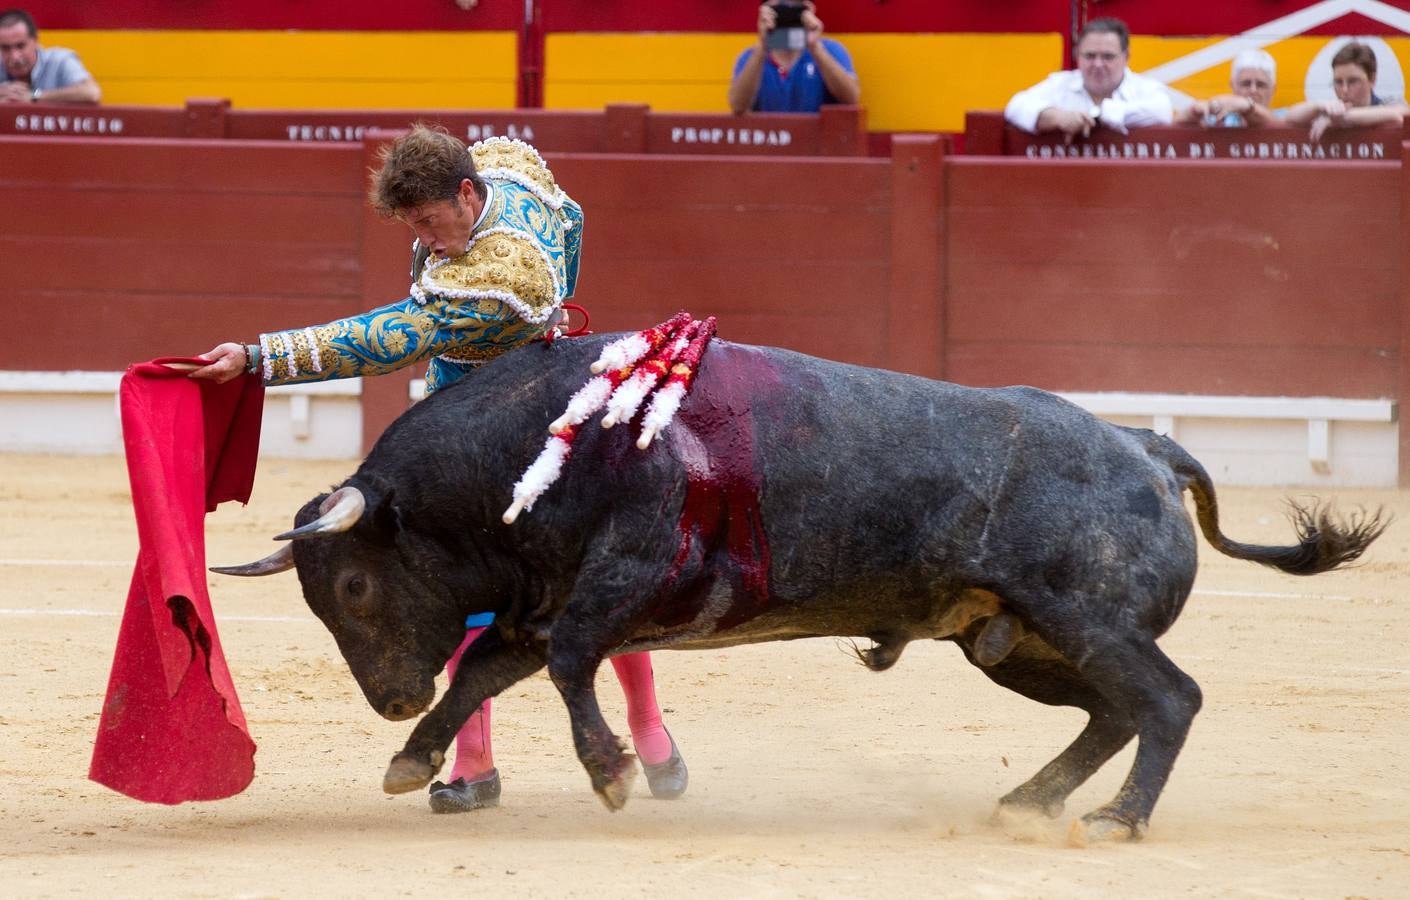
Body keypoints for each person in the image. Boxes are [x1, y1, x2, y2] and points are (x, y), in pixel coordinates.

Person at [189, 125, 688, 814]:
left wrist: (259, 357)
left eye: (429, 222)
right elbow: (564, 206)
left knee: (593, 573)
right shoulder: (504, 168)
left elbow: (380, 339)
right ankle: (474, 761)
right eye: (412, 227)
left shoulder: (501, 269)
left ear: (464, 192)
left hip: (530, 426)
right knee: (458, 581)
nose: (425, 240)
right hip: (476, 416)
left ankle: (648, 725)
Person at [1004, 17, 1172, 141]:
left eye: (1108, 56)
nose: (1098, 64)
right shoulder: (1061, 84)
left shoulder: (1145, 88)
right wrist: (1058, 118)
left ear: (1126, 57)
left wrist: (1096, 117)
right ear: (1077, 55)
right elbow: (1016, 105)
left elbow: (1162, 110)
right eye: (1090, 56)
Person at [728, 0, 860, 115]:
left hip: (817, 141)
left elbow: (851, 99)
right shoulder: (751, 57)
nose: (787, 7)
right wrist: (763, 46)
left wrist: (815, 47)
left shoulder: (831, 50)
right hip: (771, 141)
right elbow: (738, 107)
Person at [1285, 41, 1408, 141]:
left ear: (1372, 79)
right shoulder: (1332, 111)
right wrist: (1318, 106)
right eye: (1338, 82)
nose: (1344, 90)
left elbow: (1398, 114)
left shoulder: (1390, 103)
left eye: (1353, 81)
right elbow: (1290, 117)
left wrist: (1342, 118)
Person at [0, 8, 100, 105]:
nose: (14, 57)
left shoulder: (59, 61)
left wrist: (34, 96)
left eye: (20, 46)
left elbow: (92, 93)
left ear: (35, 41)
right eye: (5, 48)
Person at [1174, 49, 1279, 127]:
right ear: (1233, 85)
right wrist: (1194, 111)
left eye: (1260, 85)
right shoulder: (1217, 120)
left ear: (1273, 89)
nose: (1253, 90)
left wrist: (1248, 107)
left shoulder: (1284, 117)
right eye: (1246, 84)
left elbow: (1278, 123)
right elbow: (1173, 125)